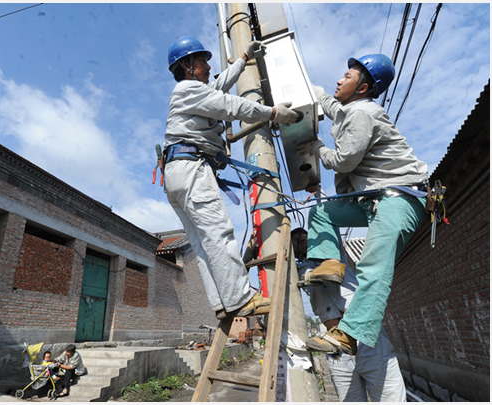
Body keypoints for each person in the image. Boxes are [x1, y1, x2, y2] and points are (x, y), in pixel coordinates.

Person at [297, 54, 429, 354]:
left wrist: (317, 148)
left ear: (363, 86)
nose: (339, 80)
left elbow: (344, 159)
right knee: (321, 211)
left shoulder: (362, 114)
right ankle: (330, 262)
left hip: (400, 200)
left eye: (346, 76)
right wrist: (299, 79)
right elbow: (328, 103)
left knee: (373, 267)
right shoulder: (350, 109)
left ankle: (349, 335)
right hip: (375, 202)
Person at [163, 36, 299, 320]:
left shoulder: (193, 92)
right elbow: (230, 104)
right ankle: (240, 297)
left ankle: (222, 303)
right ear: (188, 66)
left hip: (178, 172)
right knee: (218, 232)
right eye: (202, 61)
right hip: (191, 168)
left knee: (202, 242)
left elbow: (219, 84)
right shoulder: (188, 89)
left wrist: (243, 60)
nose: (209, 65)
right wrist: (273, 113)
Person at [292, 228, 406, 401]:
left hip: (367, 340)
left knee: (390, 399)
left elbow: (329, 218)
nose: (300, 238)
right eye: (295, 239)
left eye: (303, 234)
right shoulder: (298, 271)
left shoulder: (335, 254)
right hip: (336, 349)